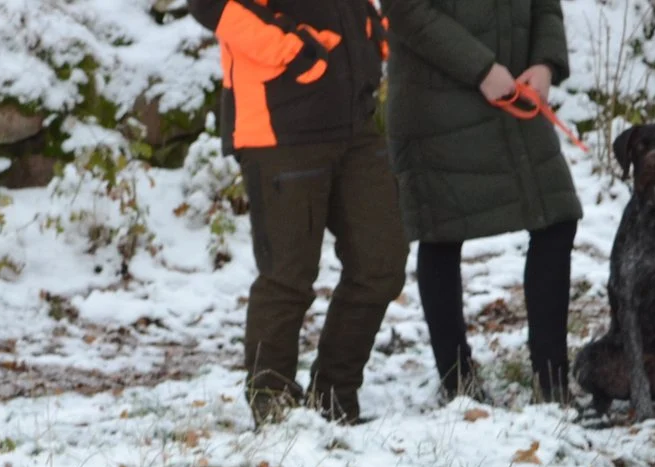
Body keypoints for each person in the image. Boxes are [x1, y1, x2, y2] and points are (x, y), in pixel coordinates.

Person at [188, 0, 407, 427]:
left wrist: (371, 30)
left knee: (381, 263)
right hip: (279, 127)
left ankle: (334, 399)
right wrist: (290, 49)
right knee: (288, 275)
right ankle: (274, 406)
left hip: (354, 121)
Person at [384, 0, 582, 404]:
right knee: (441, 231)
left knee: (556, 217)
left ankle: (552, 383)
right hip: (437, 101)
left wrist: (545, 63)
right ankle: (458, 384)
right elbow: (406, 10)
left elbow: (545, 5)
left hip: (515, 92)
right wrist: (481, 69)